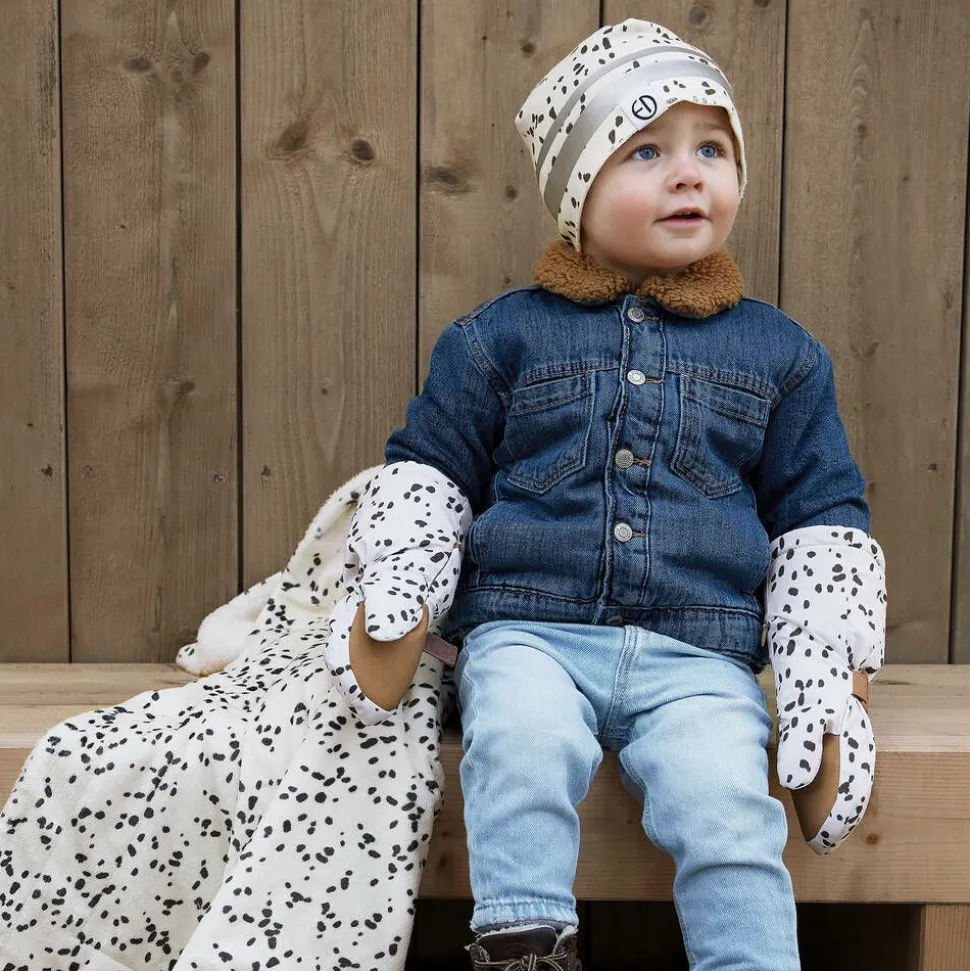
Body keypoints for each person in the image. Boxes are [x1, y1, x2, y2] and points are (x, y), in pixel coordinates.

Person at [328, 19, 887, 971]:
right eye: (646, 151)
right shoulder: (498, 338)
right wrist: (401, 593)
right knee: (520, 746)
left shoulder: (782, 355)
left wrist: (826, 680)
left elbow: (819, 516)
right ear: (578, 189)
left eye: (713, 149)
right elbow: (430, 472)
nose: (689, 174)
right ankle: (526, 942)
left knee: (726, 806)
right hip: (530, 635)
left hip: (700, 657)